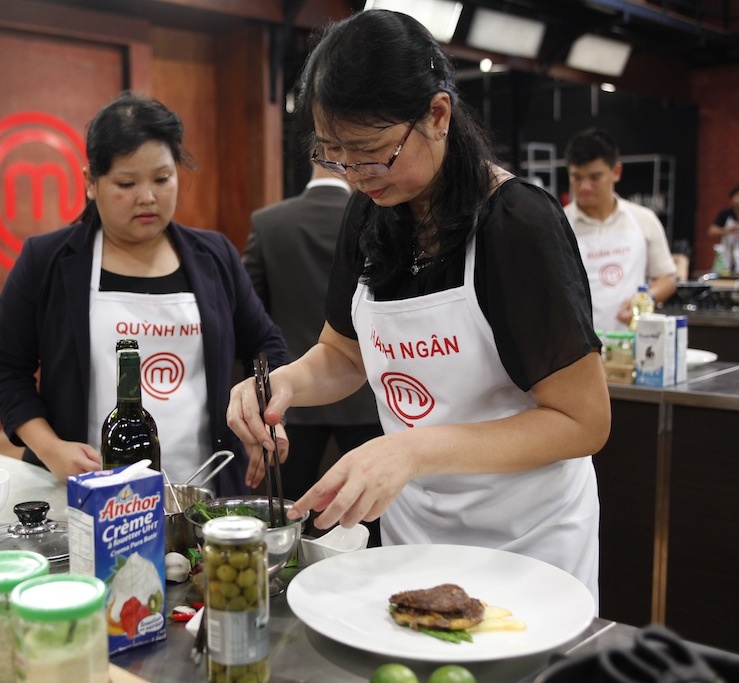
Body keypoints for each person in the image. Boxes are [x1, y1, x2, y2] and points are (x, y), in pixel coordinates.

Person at [226, 9, 610, 601]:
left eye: (373, 152)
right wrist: (284, 384)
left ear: (438, 115)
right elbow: (343, 355)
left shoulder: (517, 224)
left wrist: (411, 448)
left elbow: (583, 421)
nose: (356, 175)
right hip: (417, 534)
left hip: (527, 542)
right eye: (335, 154)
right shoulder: (369, 212)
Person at [0, 92, 288, 493]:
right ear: (91, 182)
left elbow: (265, 345)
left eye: (162, 179)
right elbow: (5, 369)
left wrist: (263, 411)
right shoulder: (47, 261)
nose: (148, 197)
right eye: (127, 183)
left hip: (200, 487)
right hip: (87, 488)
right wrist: (51, 448)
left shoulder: (214, 256)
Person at [243, 162, 385, 544]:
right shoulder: (379, 218)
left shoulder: (269, 224)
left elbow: (250, 316)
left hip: (294, 399)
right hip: (368, 395)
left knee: (290, 518)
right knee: (372, 520)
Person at [563, 127, 678, 332]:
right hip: (577, 343)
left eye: (595, 177)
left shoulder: (643, 219)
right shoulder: (558, 224)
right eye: (577, 177)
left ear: (616, 172)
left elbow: (667, 279)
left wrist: (645, 299)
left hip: (633, 339)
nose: (585, 186)